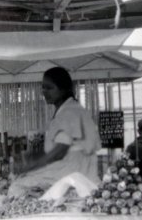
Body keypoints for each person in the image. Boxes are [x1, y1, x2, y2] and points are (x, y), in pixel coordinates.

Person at [9, 66, 101, 196]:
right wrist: (32, 159)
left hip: (74, 172)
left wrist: (31, 166)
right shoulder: (71, 109)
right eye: (43, 88)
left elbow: (59, 152)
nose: (44, 92)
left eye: (49, 88)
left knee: (17, 186)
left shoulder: (69, 112)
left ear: (63, 89)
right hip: (76, 170)